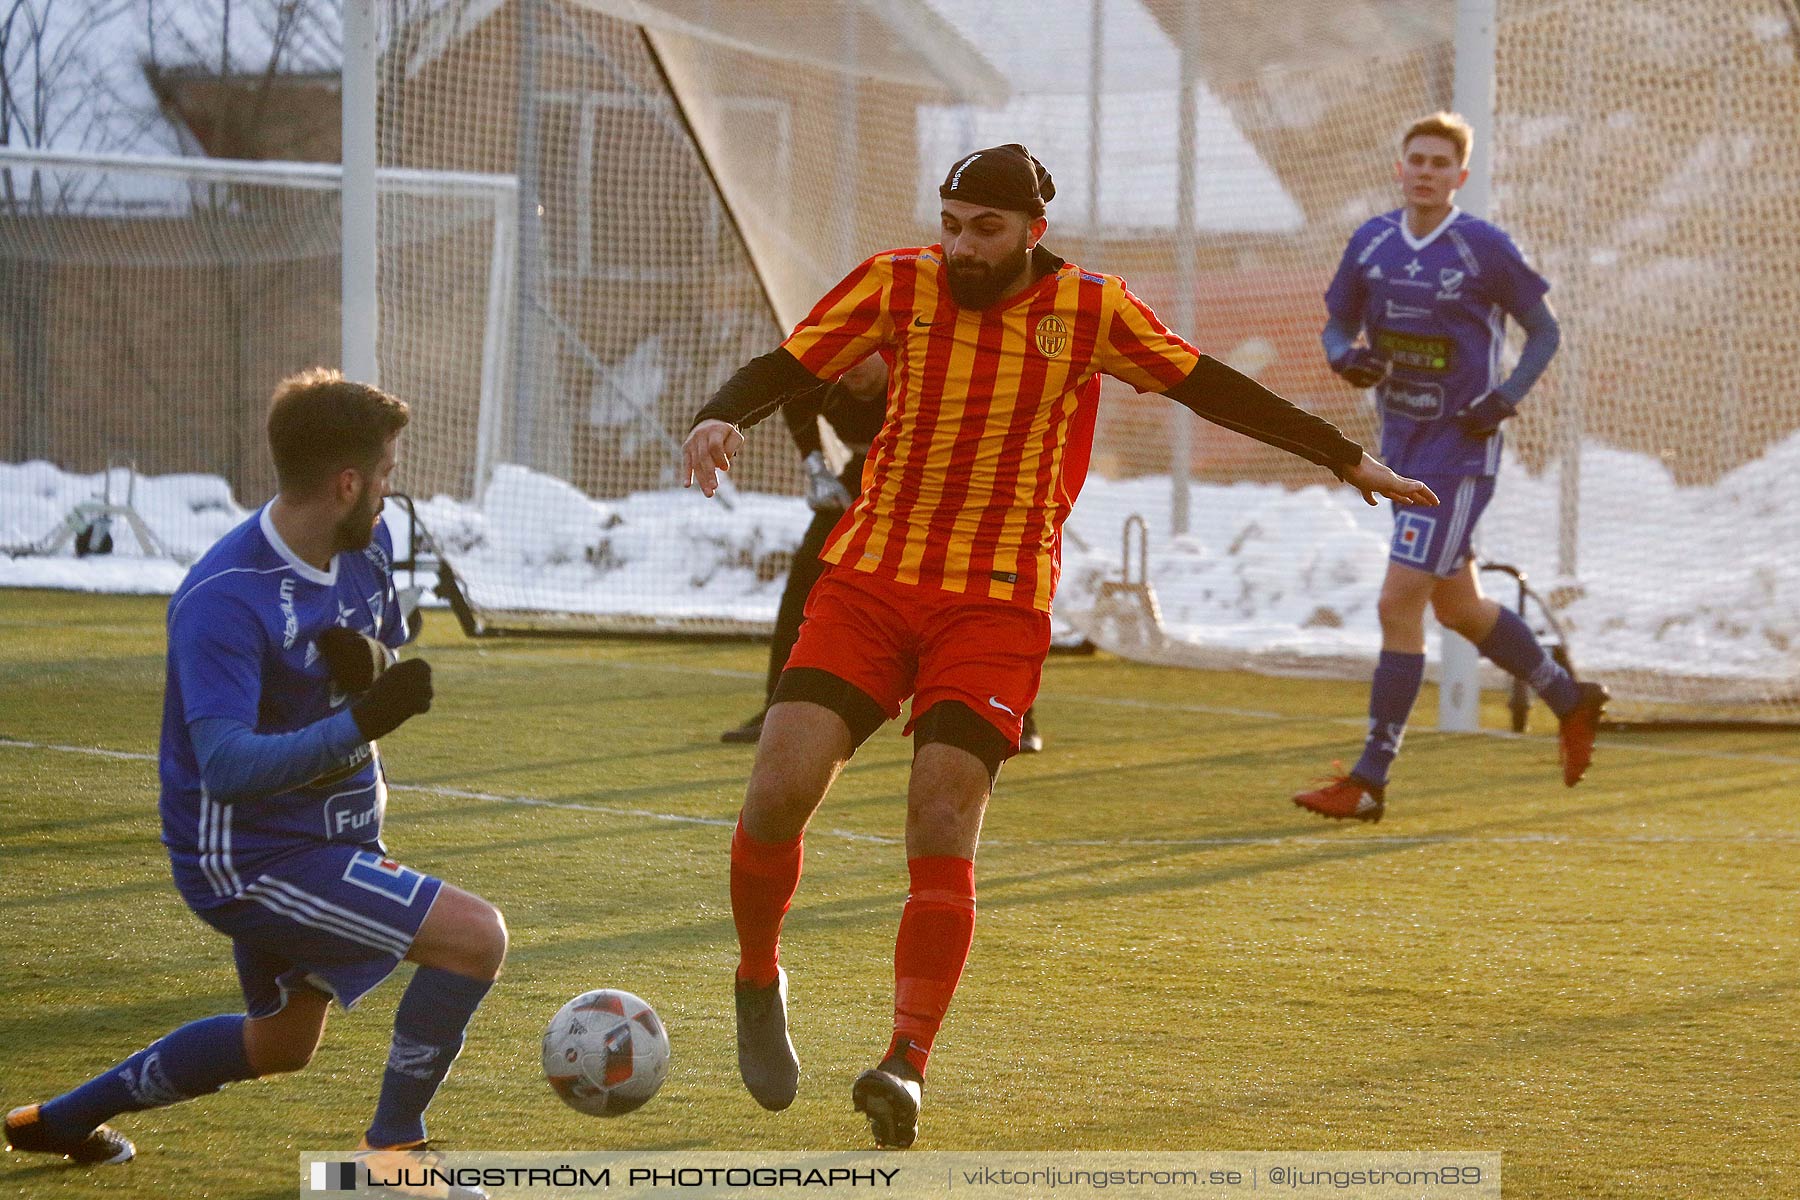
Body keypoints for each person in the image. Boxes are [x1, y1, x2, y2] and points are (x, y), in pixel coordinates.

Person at [682, 143, 1435, 1148]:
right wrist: (717, 417)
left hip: (993, 601)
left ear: (1033, 232)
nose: (961, 246)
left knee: (941, 814)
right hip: (871, 577)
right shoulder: (894, 282)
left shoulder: (1091, 311)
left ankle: (905, 1061)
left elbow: (1208, 386)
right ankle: (757, 973)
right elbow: (791, 364)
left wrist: (1344, 459)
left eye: (984, 230)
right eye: (950, 223)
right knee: (778, 786)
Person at [5, 369, 503, 1200]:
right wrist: (362, 721)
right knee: (475, 938)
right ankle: (394, 1158)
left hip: (330, 834)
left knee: (281, 1045)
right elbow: (228, 770)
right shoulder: (222, 600)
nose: (390, 493)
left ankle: (55, 1122)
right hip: (252, 855)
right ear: (346, 484)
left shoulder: (366, 547)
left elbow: (371, 653)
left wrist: (371, 667)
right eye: (383, 476)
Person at [1292, 112, 1609, 825]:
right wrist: (1346, 356)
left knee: (1395, 602)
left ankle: (1370, 778)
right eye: (1418, 160)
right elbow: (1337, 322)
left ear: (1460, 176)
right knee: (1458, 606)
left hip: (1460, 452)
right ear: (1400, 169)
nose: (1428, 171)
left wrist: (1503, 399)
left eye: (1442, 163)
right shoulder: (1371, 241)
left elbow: (1546, 331)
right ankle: (1569, 697)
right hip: (1400, 448)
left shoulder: (1482, 247)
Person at [718, 354, 1043, 753]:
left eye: (864, 357)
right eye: (847, 357)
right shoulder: (830, 381)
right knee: (806, 573)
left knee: (972, 592)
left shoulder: (916, 376)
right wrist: (816, 467)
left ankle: (1018, 717)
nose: (852, 367)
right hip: (870, 475)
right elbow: (794, 400)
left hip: (939, 485)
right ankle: (774, 707)